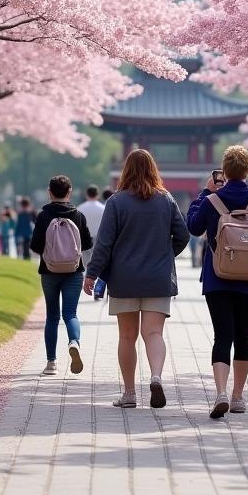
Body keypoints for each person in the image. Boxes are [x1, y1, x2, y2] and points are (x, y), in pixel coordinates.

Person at [84, 150, 189, 408]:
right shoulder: (166, 200)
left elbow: (104, 243)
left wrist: (92, 273)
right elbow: (183, 235)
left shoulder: (117, 202)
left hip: (124, 278)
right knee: (153, 333)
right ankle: (155, 377)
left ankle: (129, 394)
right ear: (154, 169)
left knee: (127, 336)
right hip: (158, 278)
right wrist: (165, 256)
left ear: (126, 171)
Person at [187, 145, 248, 419]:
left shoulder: (213, 200)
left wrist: (205, 193)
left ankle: (221, 392)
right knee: (243, 335)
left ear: (224, 171)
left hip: (218, 278)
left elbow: (193, 227)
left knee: (222, 335)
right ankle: (238, 396)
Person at [29, 175, 94, 376]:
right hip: (74, 271)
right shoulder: (78, 216)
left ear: (50, 192)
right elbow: (88, 244)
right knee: (71, 314)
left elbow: (35, 246)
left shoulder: (43, 216)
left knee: (52, 317)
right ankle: (74, 342)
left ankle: (51, 363)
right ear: (69, 192)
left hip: (49, 271)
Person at [77, 183, 106, 268]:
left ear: (87, 194)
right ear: (97, 194)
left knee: (86, 263)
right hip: (99, 238)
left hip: (84, 237)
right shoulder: (103, 208)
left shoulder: (80, 208)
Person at [94, 190, 113, 299]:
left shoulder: (105, 205)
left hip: (102, 238)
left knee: (103, 267)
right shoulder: (113, 204)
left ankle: (98, 290)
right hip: (110, 240)